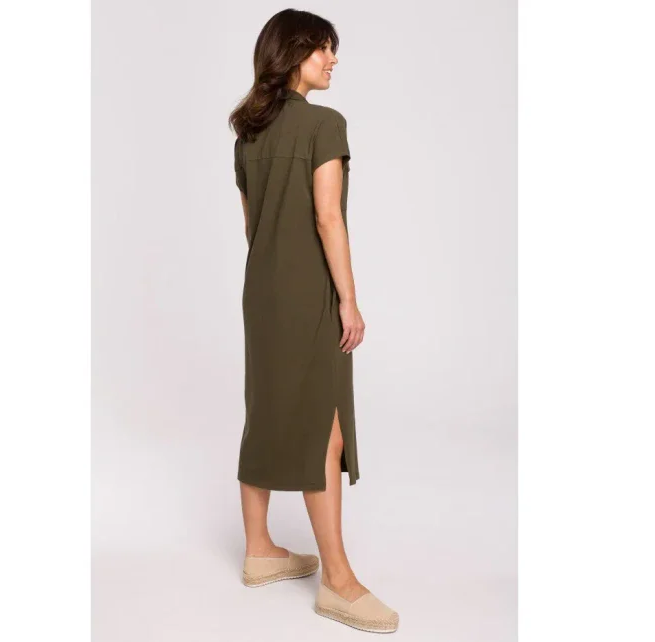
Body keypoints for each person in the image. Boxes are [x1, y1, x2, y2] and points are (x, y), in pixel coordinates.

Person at [228, 9, 399, 634]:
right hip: (308, 293)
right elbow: (329, 218)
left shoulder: (247, 133)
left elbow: (252, 225)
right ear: (292, 54)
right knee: (326, 427)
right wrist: (348, 300)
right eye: (323, 49)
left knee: (265, 409)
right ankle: (338, 581)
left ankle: (259, 550)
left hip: (262, 291)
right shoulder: (325, 124)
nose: (332, 60)